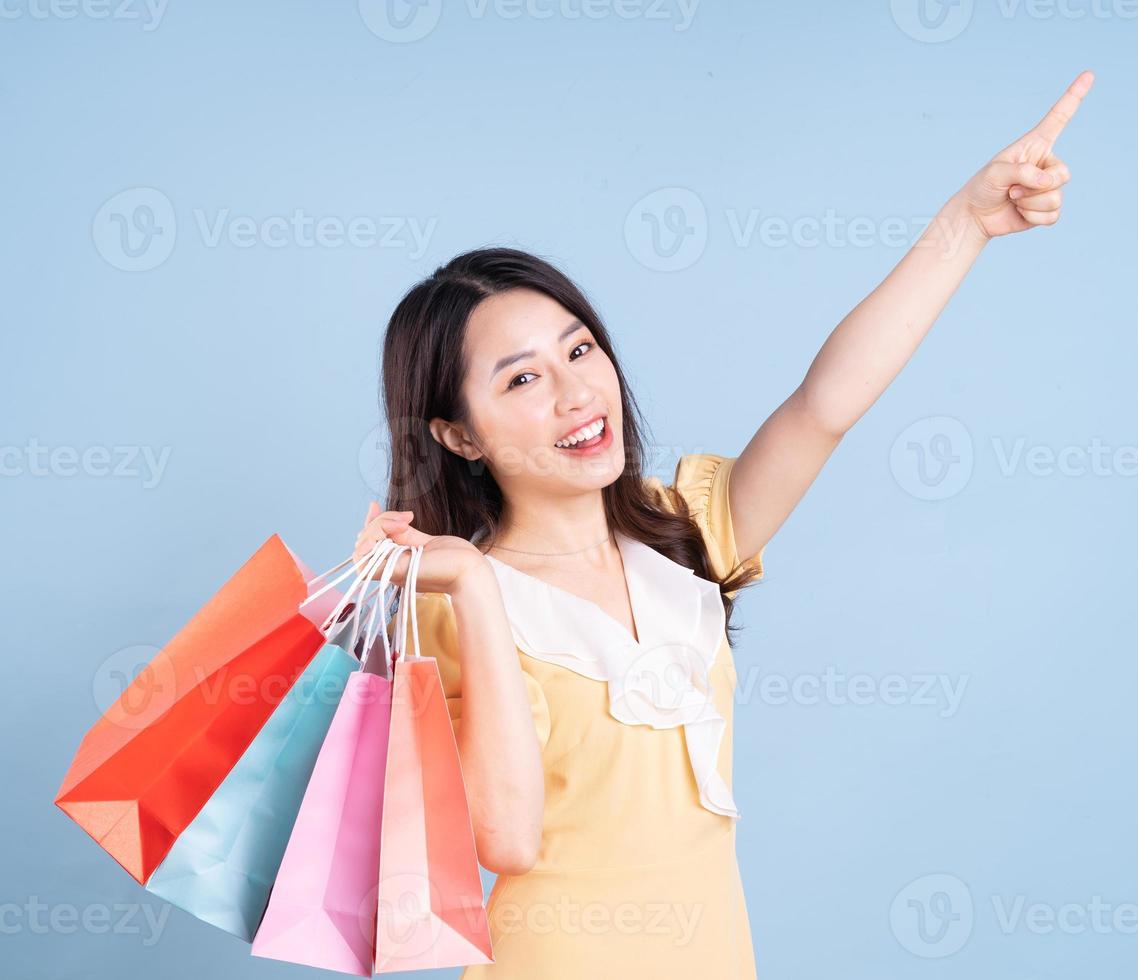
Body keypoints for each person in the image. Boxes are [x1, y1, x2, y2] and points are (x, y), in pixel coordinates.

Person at [350, 69, 1093, 979]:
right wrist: (467, 582)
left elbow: (824, 405)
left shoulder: (685, 530)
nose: (578, 391)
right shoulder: (442, 600)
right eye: (522, 378)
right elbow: (505, 841)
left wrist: (968, 222)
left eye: (579, 349)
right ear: (458, 434)